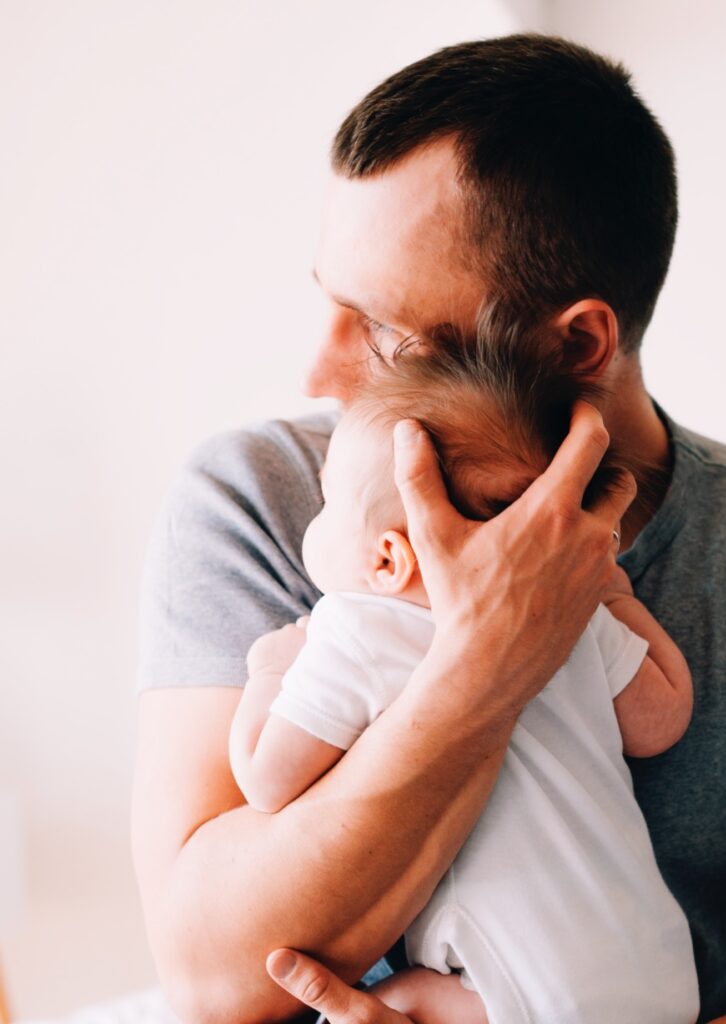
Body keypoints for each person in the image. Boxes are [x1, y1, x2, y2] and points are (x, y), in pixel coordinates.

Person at [132, 34, 726, 1024]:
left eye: (384, 333)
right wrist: (486, 661)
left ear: (574, 343)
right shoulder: (264, 497)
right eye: (331, 303)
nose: (321, 376)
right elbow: (211, 981)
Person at [228, 329, 699, 1024]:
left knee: (385, 1004)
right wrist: (611, 596)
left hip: (509, 991)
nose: (318, 519)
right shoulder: (571, 612)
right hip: (653, 980)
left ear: (386, 560)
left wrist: (268, 674)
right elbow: (660, 721)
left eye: (326, 505)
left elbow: (268, 780)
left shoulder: (355, 629)